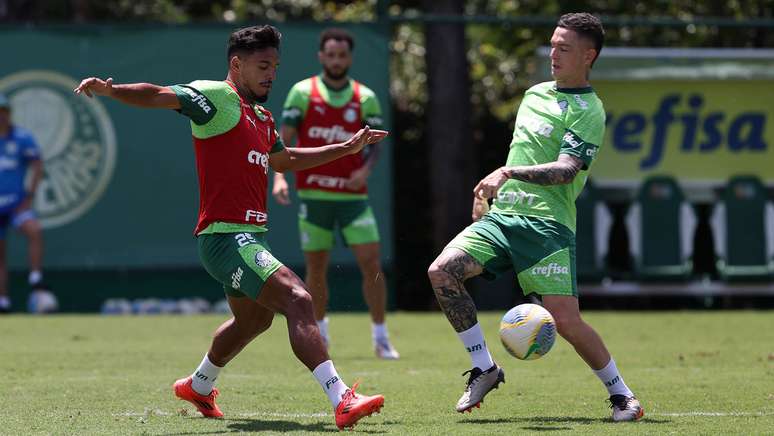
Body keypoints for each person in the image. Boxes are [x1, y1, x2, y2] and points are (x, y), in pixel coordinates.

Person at [74, 25, 387, 430]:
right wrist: (112, 90)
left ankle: (199, 385)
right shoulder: (217, 97)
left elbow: (285, 159)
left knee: (254, 321)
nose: (271, 73)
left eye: (275, 65)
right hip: (225, 237)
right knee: (297, 298)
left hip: (249, 237)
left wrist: (344, 148)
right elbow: (159, 94)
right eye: (262, 65)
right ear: (236, 65)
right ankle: (342, 398)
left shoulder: (261, 114)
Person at [426, 13, 644, 421]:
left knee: (566, 321)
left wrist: (505, 173)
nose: (554, 54)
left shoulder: (589, 109)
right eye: (553, 45)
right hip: (503, 216)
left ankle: (622, 395)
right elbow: (520, 155)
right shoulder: (534, 94)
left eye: (564, 48)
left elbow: (564, 170)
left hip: (547, 226)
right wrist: (486, 192)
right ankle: (484, 368)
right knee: (442, 272)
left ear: (588, 56)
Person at [272, 28, 398, 359]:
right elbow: (281, 144)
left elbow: (375, 147)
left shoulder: (364, 97)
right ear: (321, 57)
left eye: (342, 55)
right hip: (314, 198)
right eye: (331, 54)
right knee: (316, 269)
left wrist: (365, 171)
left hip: (354, 201)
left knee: (371, 263)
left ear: (349, 58)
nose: (337, 60)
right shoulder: (302, 93)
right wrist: (280, 179)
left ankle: (381, 337)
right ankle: (321, 334)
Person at [0, 93, 48, 313]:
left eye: (4, 112)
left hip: (16, 203)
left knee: (34, 230)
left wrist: (28, 196)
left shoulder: (21, 138)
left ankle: (35, 276)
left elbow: (37, 164)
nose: (1, 116)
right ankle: (3, 301)